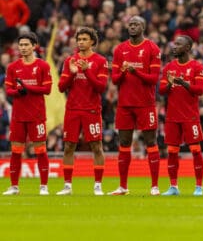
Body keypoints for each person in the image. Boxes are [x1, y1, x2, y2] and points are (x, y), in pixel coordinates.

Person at [109, 16, 162, 196]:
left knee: (151, 142)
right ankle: (123, 186)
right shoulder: (120, 49)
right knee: (124, 142)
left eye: (136, 24)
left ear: (143, 27)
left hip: (145, 104)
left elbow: (153, 79)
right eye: (130, 24)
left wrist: (135, 71)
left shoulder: (152, 48)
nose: (132, 27)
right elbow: (115, 80)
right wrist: (124, 71)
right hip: (125, 104)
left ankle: (154, 186)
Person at [56, 27, 109, 196]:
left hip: (91, 110)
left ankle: (98, 185)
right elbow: (61, 87)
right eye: (79, 39)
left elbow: (101, 88)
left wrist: (86, 70)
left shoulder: (100, 61)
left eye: (85, 39)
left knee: (96, 146)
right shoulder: (70, 61)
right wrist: (72, 74)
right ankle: (67, 186)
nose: (81, 42)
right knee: (68, 147)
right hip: (72, 110)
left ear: (92, 41)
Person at [3, 32, 52, 195]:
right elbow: (9, 90)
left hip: (36, 115)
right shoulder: (12, 67)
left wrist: (26, 88)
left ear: (34, 46)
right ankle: (14, 186)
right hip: (18, 116)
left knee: (40, 150)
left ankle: (44, 186)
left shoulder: (43, 66)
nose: (23, 48)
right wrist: (18, 92)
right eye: (21, 45)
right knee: (16, 151)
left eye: (26, 45)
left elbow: (47, 89)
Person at [158, 35, 203, 196]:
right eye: (174, 43)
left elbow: (199, 90)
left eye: (178, 44)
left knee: (195, 151)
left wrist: (183, 83)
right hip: (172, 117)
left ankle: (199, 187)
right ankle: (173, 187)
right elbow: (162, 91)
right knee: (171, 152)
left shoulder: (197, 67)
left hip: (190, 116)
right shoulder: (169, 68)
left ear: (187, 48)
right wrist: (171, 83)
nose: (174, 46)